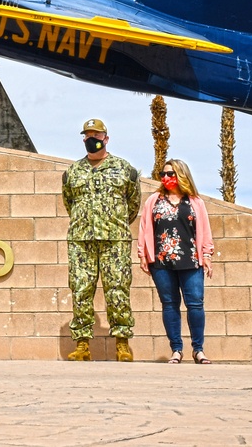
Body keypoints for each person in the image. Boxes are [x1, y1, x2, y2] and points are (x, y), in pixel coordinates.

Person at [61, 118, 141, 362]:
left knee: (117, 290)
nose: (91, 140)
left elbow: (133, 204)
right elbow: (69, 203)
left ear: (106, 138)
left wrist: (113, 223)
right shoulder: (72, 172)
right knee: (81, 290)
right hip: (81, 241)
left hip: (114, 240)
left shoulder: (125, 169)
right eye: (87, 136)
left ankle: (122, 344)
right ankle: (83, 346)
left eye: (96, 135)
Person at [137, 158, 215, 364]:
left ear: (181, 175)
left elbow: (205, 230)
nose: (166, 178)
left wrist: (206, 255)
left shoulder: (195, 202)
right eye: (164, 174)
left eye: (171, 174)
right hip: (162, 262)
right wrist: (142, 254)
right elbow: (144, 228)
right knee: (170, 304)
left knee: (195, 304)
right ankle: (176, 350)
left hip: (191, 260)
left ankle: (198, 349)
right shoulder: (154, 200)